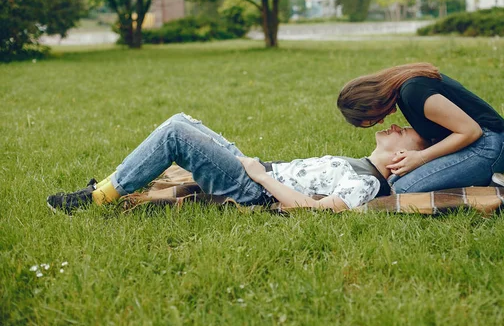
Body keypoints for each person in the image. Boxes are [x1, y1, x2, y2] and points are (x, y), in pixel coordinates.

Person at [47, 113, 430, 214]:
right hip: (257, 172)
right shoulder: (360, 165)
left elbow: (315, 210)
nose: (395, 124)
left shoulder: (366, 183)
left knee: (174, 136)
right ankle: (108, 184)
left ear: (401, 156)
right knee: (181, 121)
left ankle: (98, 198)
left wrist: (260, 176)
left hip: (253, 189)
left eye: (406, 130)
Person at [337, 62, 504, 193]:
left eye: (374, 119)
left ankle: (490, 186)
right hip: (475, 145)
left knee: (403, 190)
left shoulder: (412, 91)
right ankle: (482, 181)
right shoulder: (404, 92)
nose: (381, 122)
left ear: (371, 102)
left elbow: (471, 131)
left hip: (488, 145)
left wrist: (421, 158)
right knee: (394, 180)